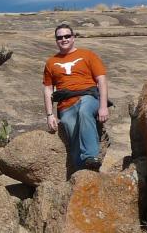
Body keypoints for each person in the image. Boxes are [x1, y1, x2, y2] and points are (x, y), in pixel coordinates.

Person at [42, 23, 109, 171]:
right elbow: (48, 89)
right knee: (70, 129)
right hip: (66, 105)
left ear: (73, 38)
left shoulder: (88, 55)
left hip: (89, 97)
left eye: (67, 36)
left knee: (84, 112)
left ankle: (91, 157)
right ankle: (81, 171)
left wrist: (103, 107)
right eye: (60, 37)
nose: (64, 39)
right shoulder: (51, 62)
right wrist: (49, 114)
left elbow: (101, 80)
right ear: (56, 40)